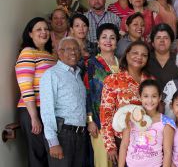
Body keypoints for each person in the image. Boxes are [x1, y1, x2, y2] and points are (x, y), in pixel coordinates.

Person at [100, 41, 152, 165]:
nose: (139, 57)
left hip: (145, 141)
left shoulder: (150, 80)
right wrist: (110, 146)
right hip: (121, 141)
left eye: (144, 55)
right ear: (127, 55)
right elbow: (106, 114)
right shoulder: (113, 80)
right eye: (135, 53)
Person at [15, 17, 56, 167]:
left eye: (46, 29)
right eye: (39, 29)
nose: (44, 32)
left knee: (50, 153)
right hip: (33, 110)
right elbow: (26, 86)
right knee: (38, 155)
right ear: (30, 34)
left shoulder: (51, 55)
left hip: (48, 110)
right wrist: (34, 117)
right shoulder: (28, 52)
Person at [40, 37, 87, 167]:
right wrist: (53, 142)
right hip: (63, 135)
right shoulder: (51, 74)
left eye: (76, 49)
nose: (73, 52)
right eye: (68, 49)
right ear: (59, 53)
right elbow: (47, 109)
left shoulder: (78, 74)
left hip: (80, 135)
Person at [118, 79, 175, 167]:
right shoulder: (131, 118)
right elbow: (124, 145)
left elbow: (167, 152)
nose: (150, 100)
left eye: (154, 96)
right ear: (140, 97)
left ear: (159, 97)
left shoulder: (166, 122)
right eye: (146, 96)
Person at [85, 23, 120, 167]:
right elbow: (87, 93)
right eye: (104, 37)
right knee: (103, 162)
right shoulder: (91, 64)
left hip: (119, 122)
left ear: (117, 42)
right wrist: (90, 120)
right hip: (99, 122)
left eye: (112, 38)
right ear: (98, 42)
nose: (108, 41)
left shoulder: (122, 63)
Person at [147, 23, 178, 90]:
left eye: (166, 38)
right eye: (158, 38)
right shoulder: (145, 59)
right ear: (152, 43)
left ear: (171, 42)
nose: (162, 41)